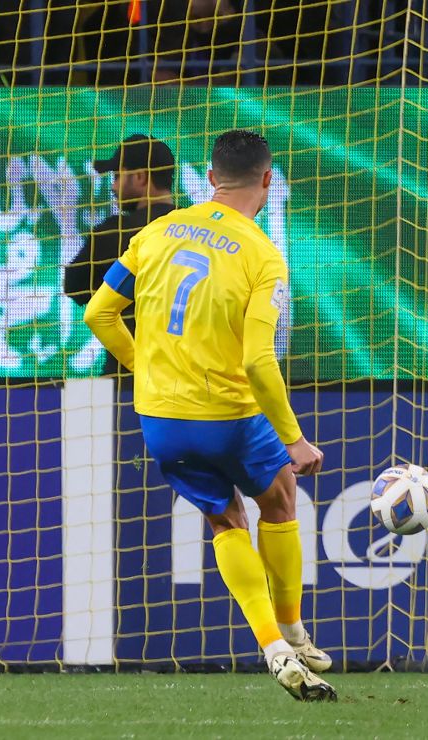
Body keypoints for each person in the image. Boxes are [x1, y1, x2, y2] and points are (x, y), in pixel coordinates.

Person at [83, 130, 336, 702]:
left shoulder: (156, 231)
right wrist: (294, 439)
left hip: (161, 418)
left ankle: (273, 646)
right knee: (280, 494)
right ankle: (292, 629)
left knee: (225, 522)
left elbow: (99, 314)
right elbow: (257, 361)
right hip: (227, 412)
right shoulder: (262, 253)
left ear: (212, 177)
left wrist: (144, 367)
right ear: (267, 181)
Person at [65, 134, 176, 375]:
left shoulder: (114, 232)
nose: (113, 187)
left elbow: (74, 287)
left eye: (117, 177)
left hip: (127, 378)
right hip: (186, 380)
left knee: (86, 409)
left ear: (139, 177)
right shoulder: (197, 230)